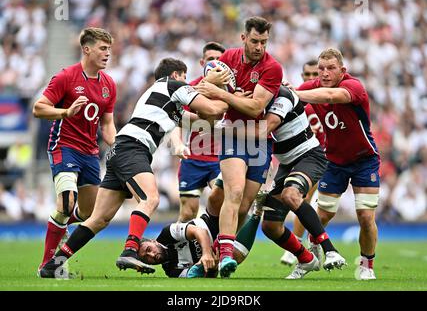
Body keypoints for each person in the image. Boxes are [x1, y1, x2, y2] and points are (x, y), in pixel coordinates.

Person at [38, 57, 229, 278]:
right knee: (150, 199)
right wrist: (224, 94)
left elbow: (208, 118)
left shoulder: (167, 102)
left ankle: (53, 264)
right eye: (184, 77)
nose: (186, 82)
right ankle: (130, 249)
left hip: (121, 149)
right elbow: (211, 108)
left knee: (98, 219)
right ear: (176, 75)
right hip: (133, 148)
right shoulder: (172, 85)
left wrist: (221, 97)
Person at [195, 16, 283, 278]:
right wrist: (230, 96)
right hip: (233, 134)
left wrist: (225, 95)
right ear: (244, 37)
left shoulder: (272, 67)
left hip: (259, 140)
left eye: (264, 42)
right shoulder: (228, 60)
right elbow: (204, 86)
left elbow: (256, 107)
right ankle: (224, 257)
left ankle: (213, 247)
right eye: (255, 41)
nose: (259, 47)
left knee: (244, 205)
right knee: (234, 192)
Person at [32, 27, 117, 275]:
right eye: (103, 48)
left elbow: (107, 123)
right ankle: (47, 264)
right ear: (86, 49)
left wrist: (118, 144)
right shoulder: (66, 77)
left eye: (109, 49)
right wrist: (65, 112)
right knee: (67, 201)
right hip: (64, 146)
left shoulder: (109, 85)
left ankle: (61, 222)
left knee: (89, 212)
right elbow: (39, 108)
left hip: (90, 152)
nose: (107, 54)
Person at [294, 48, 380, 280]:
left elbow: (331, 97)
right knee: (321, 217)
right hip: (334, 161)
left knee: (365, 216)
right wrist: (285, 92)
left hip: (364, 159)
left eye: (330, 68)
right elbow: (290, 97)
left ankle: (366, 265)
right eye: (321, 68)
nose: (324, 73)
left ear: (343, 70)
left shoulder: (354, 87)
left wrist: (294, 93)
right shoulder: (313, 87)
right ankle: (311, 254)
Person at [256, 85, 346, 279]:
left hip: (309, 156)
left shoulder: (283, 96)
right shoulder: (253, 99)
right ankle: (306, 259)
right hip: (286, 163)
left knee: (291, 195)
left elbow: (264, 129)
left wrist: (224, 128)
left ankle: (330, 249)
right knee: (270, 226)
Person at [137, 197, 263, 278]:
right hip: (216, 249)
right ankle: (258, 210)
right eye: (146, 258)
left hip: (212, 221)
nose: (152, 255)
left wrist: (206, 253)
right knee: (235, 256)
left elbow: (200, 231)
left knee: (215, 198)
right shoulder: (172, 271)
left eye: (149, 250)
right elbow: (203, 276)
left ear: (152, 241)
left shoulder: (166, 234)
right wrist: (213, 269)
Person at [280, 59, 326, 266]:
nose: (309, 78)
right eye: (306, 75)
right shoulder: (296, 103)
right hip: (308, 157)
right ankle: (299, 244)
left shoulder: (327, 100)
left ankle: (312, 240)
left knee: (325, 208)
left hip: (330, 158)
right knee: (303, 198)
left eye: (313, 75)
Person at [177, 42, 226, 222]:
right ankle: (176, 248)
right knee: (188, 212)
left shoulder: (233, 89)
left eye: (219, 60)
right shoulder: (191, 88)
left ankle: (217, 247)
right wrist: (178, 142)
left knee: (221, 205)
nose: (214, 64)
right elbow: (178, 118)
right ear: (202, 63)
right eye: (210, 59)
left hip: (221, 159)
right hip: (194, 157)